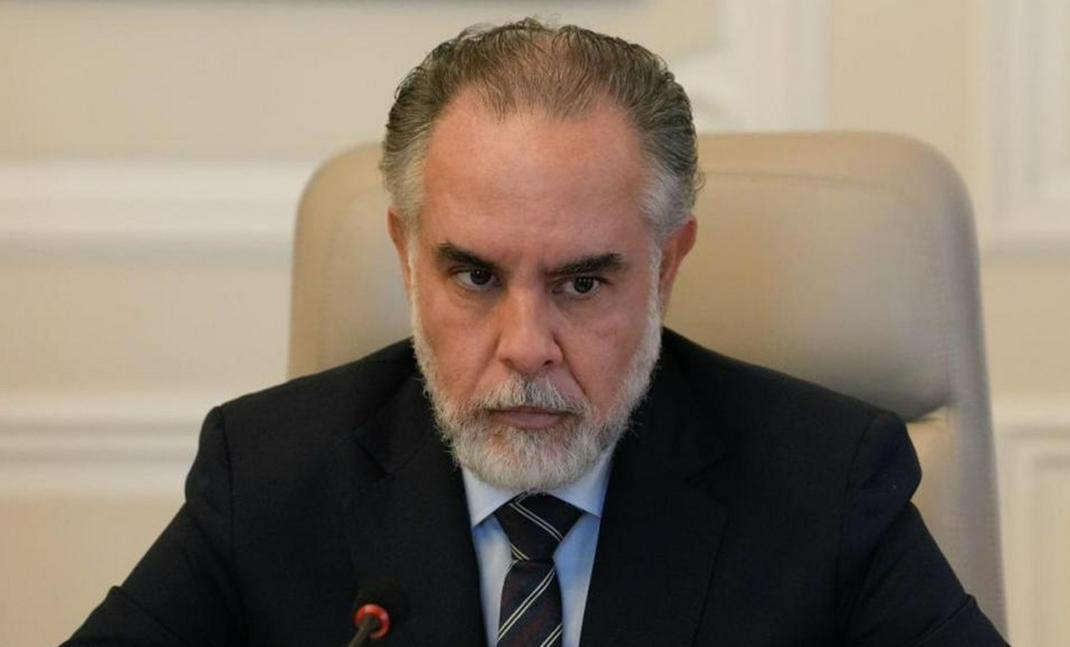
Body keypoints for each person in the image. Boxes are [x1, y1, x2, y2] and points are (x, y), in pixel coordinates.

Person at [64, 19, 1007, 647]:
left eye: (582, 282)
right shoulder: (269, 474)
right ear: (406, 256)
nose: (525, 345)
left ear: (665, 267)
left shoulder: (826, 485)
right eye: (475, 275)